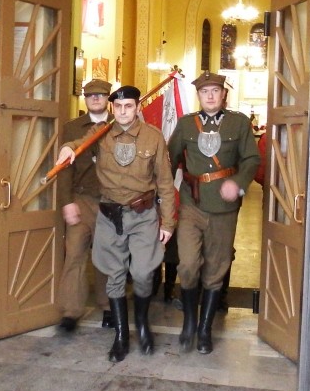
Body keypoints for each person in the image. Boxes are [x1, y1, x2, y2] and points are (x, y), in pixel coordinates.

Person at [55, 85, 176, 361]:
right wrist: (66, 149)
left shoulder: (153, 137)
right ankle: (121, 335)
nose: (123, 112)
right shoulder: (101, 132)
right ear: (112, 108)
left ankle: (142, 323)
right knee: (114, 274)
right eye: (118, 107)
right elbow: (78, 142)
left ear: (137, 108)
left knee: (143, 273)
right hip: (110, 215)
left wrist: (168, 223)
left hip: (143, 215)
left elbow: (166, 184)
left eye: (128, 106)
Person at [167, 72, 260, 354]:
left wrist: (238, 183)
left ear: (223, 94)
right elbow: (169, 161)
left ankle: (205, 329)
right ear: (198, 95)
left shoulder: (238, 123)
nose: (209, 96)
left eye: (215, 91)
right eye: (204, 91)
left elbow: (252, 159)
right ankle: (189, 323)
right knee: (187, 264)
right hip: (191, 204)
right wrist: (162, 199)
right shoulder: (186, 124)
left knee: (216, 268)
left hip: (223, 208)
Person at [56, 79, 113, 333]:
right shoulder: (72, 128)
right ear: (85, 98)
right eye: (91, 96)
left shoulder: (119, 123)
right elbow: (64, 169)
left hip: (110, 200)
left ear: (108, 98)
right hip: (81, 199)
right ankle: (71, 311)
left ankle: (109, 306)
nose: (96, 99)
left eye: (100, 95)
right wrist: (67, 202)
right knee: (75, 254)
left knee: (107, 255)